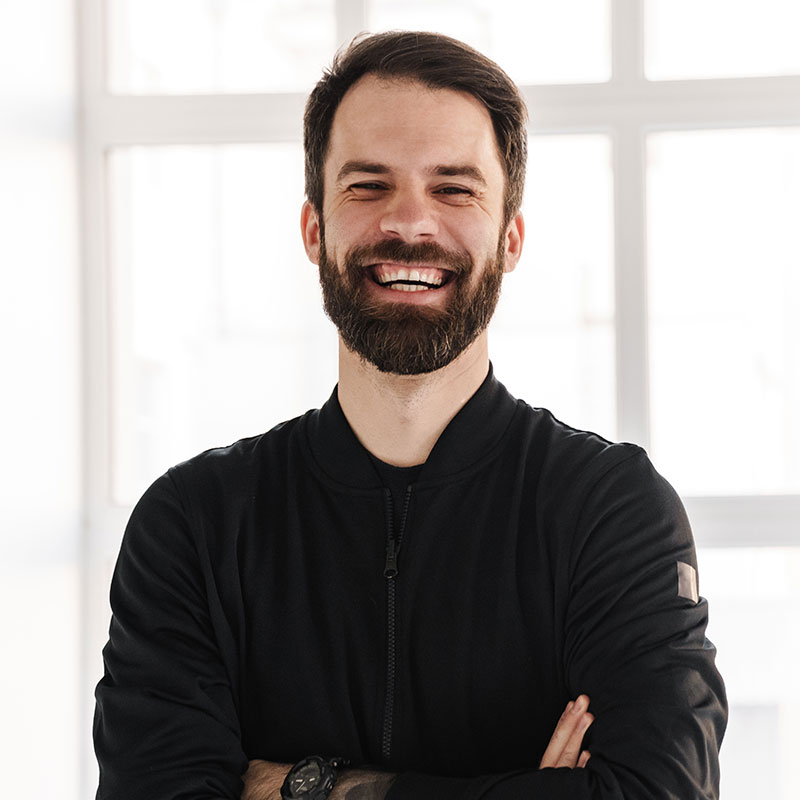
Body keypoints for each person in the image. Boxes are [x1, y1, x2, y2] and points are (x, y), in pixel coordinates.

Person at [94, 31, 727, 800]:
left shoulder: (611, 511)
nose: (410, 222)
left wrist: (309, 788)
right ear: (313, 229)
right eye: (368, 185)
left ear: (511, 237)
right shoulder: (191, 527)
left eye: (455, 189)